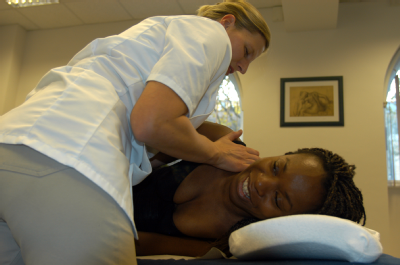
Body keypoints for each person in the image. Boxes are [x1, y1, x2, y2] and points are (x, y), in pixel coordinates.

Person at [0, 1, 270, 264]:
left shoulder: (157, 42)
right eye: (247, 51)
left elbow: (143, 136)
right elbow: (151, 123)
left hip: (14, 143)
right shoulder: (210, 34)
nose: (244, 67)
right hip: (69, 153)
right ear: (227, 22)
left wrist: (189, 146)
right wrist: (214, 154)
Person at [133, 130, 366, 257]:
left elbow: (133, 244)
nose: (262, 183)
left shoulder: (225, 243)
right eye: (276, 167)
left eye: (278, 199)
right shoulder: (225, 141)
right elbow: (154, 129)